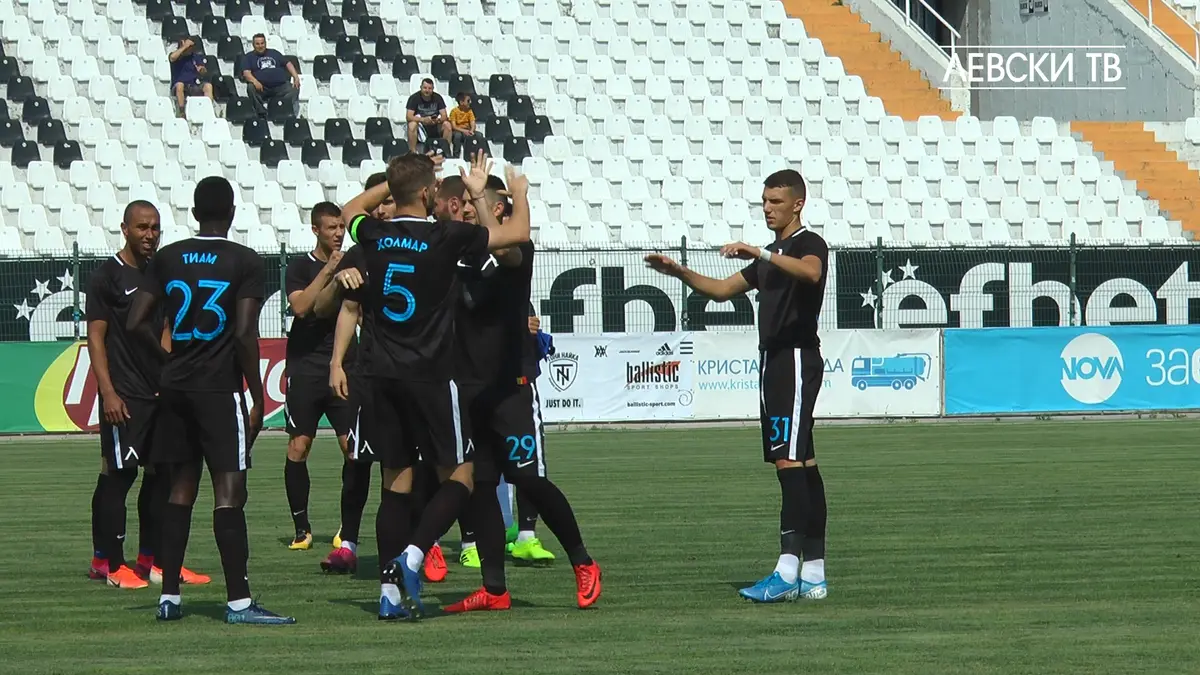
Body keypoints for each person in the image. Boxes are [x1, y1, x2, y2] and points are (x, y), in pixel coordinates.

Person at [328, 150, 530, 621]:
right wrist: (514, 194)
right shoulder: (445, 236)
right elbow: (516, 235)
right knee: (461, 477)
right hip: (432, 375)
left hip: (381, 375)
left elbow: (349, 210)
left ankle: (388, 594)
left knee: (395, 484)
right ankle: (414, 555)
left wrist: (396, 180)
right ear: (427, 193)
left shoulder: (373, 234)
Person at [644, 169, 829, 603]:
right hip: (774, 362)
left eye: (775, 202)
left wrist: (760, 252)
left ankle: (786, 571)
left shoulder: (807, 243)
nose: (767, 208)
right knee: (803, 463)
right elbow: (723, 290)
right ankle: (814, 573)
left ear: (797, 204)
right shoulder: (772, 255)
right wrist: (679, 272)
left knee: (788, 462)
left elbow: (811, 273)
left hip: (794, 359)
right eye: (764, 201)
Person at [126, 176, 295, 624]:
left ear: (195, 213)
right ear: (232, 212)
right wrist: (256, 393)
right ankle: (239, 602)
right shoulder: (245, 260)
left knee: (179, 491)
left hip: (175, 389)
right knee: (229, 494)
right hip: (218, 389)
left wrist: (166, 360)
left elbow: (135, 322)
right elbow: (243, 333)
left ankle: (169, 597)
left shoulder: (168, 257)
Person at [444, 175, 601, 614]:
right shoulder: (459, 254)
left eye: (474, 204)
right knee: (481, 487)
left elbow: (510, 247)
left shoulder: (515, 252)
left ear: (497, 209)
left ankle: (583, 562)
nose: (466, 209)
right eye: (464, 204)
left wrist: (491, 196)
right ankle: (494, 588)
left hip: (510, 390)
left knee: (528, 479)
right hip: (470, 391)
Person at [86, 201, 211, 590]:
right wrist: (108, 392)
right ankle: (108, 563)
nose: (150, 235)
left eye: (155, 228)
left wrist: (170, 376)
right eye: (142, 227)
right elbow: (96, 338)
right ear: (124, 229)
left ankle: (153, 561)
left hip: (159, 391)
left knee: (161, 476)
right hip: (125, 393)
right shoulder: (107, 276)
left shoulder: (161, 273)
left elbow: (166, 328)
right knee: (119, 474)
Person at [281, 202, 372, 572]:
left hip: (346, 367)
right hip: (305, 366)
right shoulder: (299, 267)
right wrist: (331, 271)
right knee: (299, 445)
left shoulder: (356, 262)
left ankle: (346, 530)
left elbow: (360, 311)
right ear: (315, 230)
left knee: (352, 448)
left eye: (341, 227)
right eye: (331, 228)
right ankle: (301, 527)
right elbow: (302, 307)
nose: (338, 233)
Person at [241, 34, 300, 118]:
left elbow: (288, 63)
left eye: (262, 43)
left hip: (280, 86)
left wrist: (296, 77)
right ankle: (261, 112)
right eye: (257, 44)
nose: (260, 46)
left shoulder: (274, 53)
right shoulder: (248, 57)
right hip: (262, 88)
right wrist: (255, 81)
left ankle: (282, 109)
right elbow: (246, 73)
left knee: (295, 88)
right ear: (253, 45)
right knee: (250, 87)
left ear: (265, 43)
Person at [168, 36, 215, 118]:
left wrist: (202, 70)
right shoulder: (177, 55)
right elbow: (172, 58)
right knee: (180, 85)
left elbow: (203, 70)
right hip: (179, 86)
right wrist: (184, 47)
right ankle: (182, 112)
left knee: (208, 86)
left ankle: (208, 110)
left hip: (192, 85)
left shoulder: (195, 57)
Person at [406, 78, 451, 152]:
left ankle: (445, 150)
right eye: (425, 88)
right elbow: (409, 116)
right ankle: (412, 152)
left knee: (447, 125)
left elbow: (444, 115)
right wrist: (423, 120)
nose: (427, 90)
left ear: (433, 89)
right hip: (420, 125)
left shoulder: (438, 98)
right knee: (412, 125)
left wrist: (437, 120)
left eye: (429, 88)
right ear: (421, 87)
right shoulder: (414, 98)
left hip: (435, 124)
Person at [448, 92, 477, 159]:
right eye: (468, 101)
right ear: (461, 102)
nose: (470, 102)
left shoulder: (469, 111)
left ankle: (473, 155)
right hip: (457, 130)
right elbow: (454, 126)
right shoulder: (454, 111)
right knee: (457, 136)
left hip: (467, 130)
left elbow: (473, 123)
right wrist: (464, 131)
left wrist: (471, 130)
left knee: (479, 135)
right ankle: (456, 156)